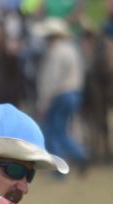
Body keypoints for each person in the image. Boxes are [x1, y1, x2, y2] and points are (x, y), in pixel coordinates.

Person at [36, 18, 86, 172]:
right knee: (61, 131)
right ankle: (81, 155)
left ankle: (63, 168)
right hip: (74, 94)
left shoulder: (55, 52)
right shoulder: (72, 49)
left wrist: (43, 104)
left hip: (60, 96)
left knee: (53, 132)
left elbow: (51, 80)